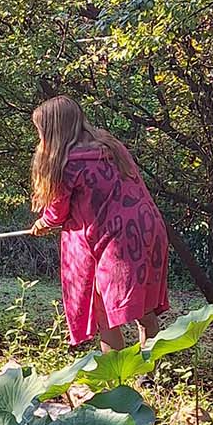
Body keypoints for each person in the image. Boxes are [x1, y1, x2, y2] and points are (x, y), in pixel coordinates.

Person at [30, 95, 170, 351]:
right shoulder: (111, 146)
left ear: (53, 130)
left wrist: (43, 223)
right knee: (144, 309)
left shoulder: (67, 163)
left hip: (116, 239)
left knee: (105, 312)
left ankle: (116, 384)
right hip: (149, 229)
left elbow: (57, 213)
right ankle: (149, 374)